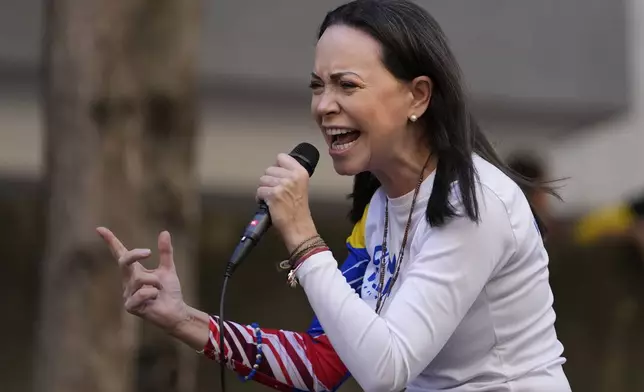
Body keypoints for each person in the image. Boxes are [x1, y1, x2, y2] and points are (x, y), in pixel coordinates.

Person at [97, 1, 571, 391]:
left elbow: (385, 370)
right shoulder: (381, 208)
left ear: (418, 96)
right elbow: (324, 363)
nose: (324, 105)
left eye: (347, 85)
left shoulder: (475, 203)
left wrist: (303, 236)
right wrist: (184, 320)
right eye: (318, 86)